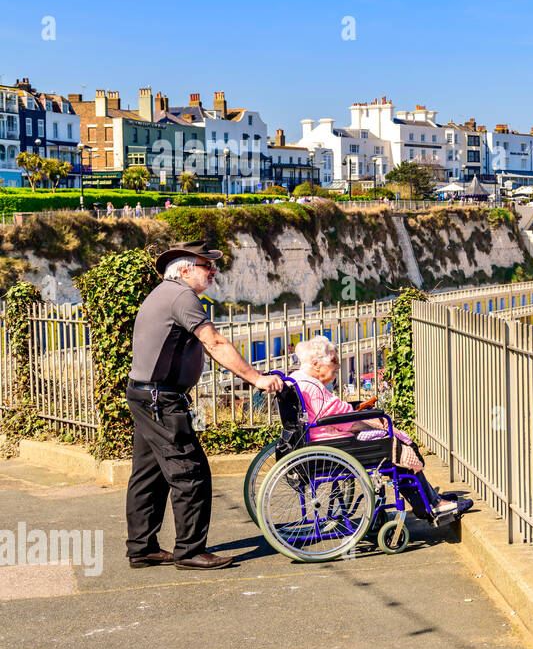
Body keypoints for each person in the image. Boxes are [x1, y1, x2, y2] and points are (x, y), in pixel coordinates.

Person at [126, 241, 284, 571]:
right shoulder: (182, 296)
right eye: (206, 266)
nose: (213, 271)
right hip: (161, 399)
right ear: (185, 270)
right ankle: (189, 551)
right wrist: (256, 378)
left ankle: (142, 547)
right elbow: (215, 342)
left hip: (145, 394)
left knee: (149, 474)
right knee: (190, 473)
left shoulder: (163, 293)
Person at [289, 335, 470, 519]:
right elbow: (342, 420)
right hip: (333, 442)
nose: (338, 366)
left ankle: (430, 499)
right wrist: (373, 424)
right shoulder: (312, 387)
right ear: (316, 364)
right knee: (395, 444)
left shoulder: (299, 379)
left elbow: (334, 413)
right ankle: (432, 505)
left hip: (324, 439)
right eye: (334, 361)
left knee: (391, 439)